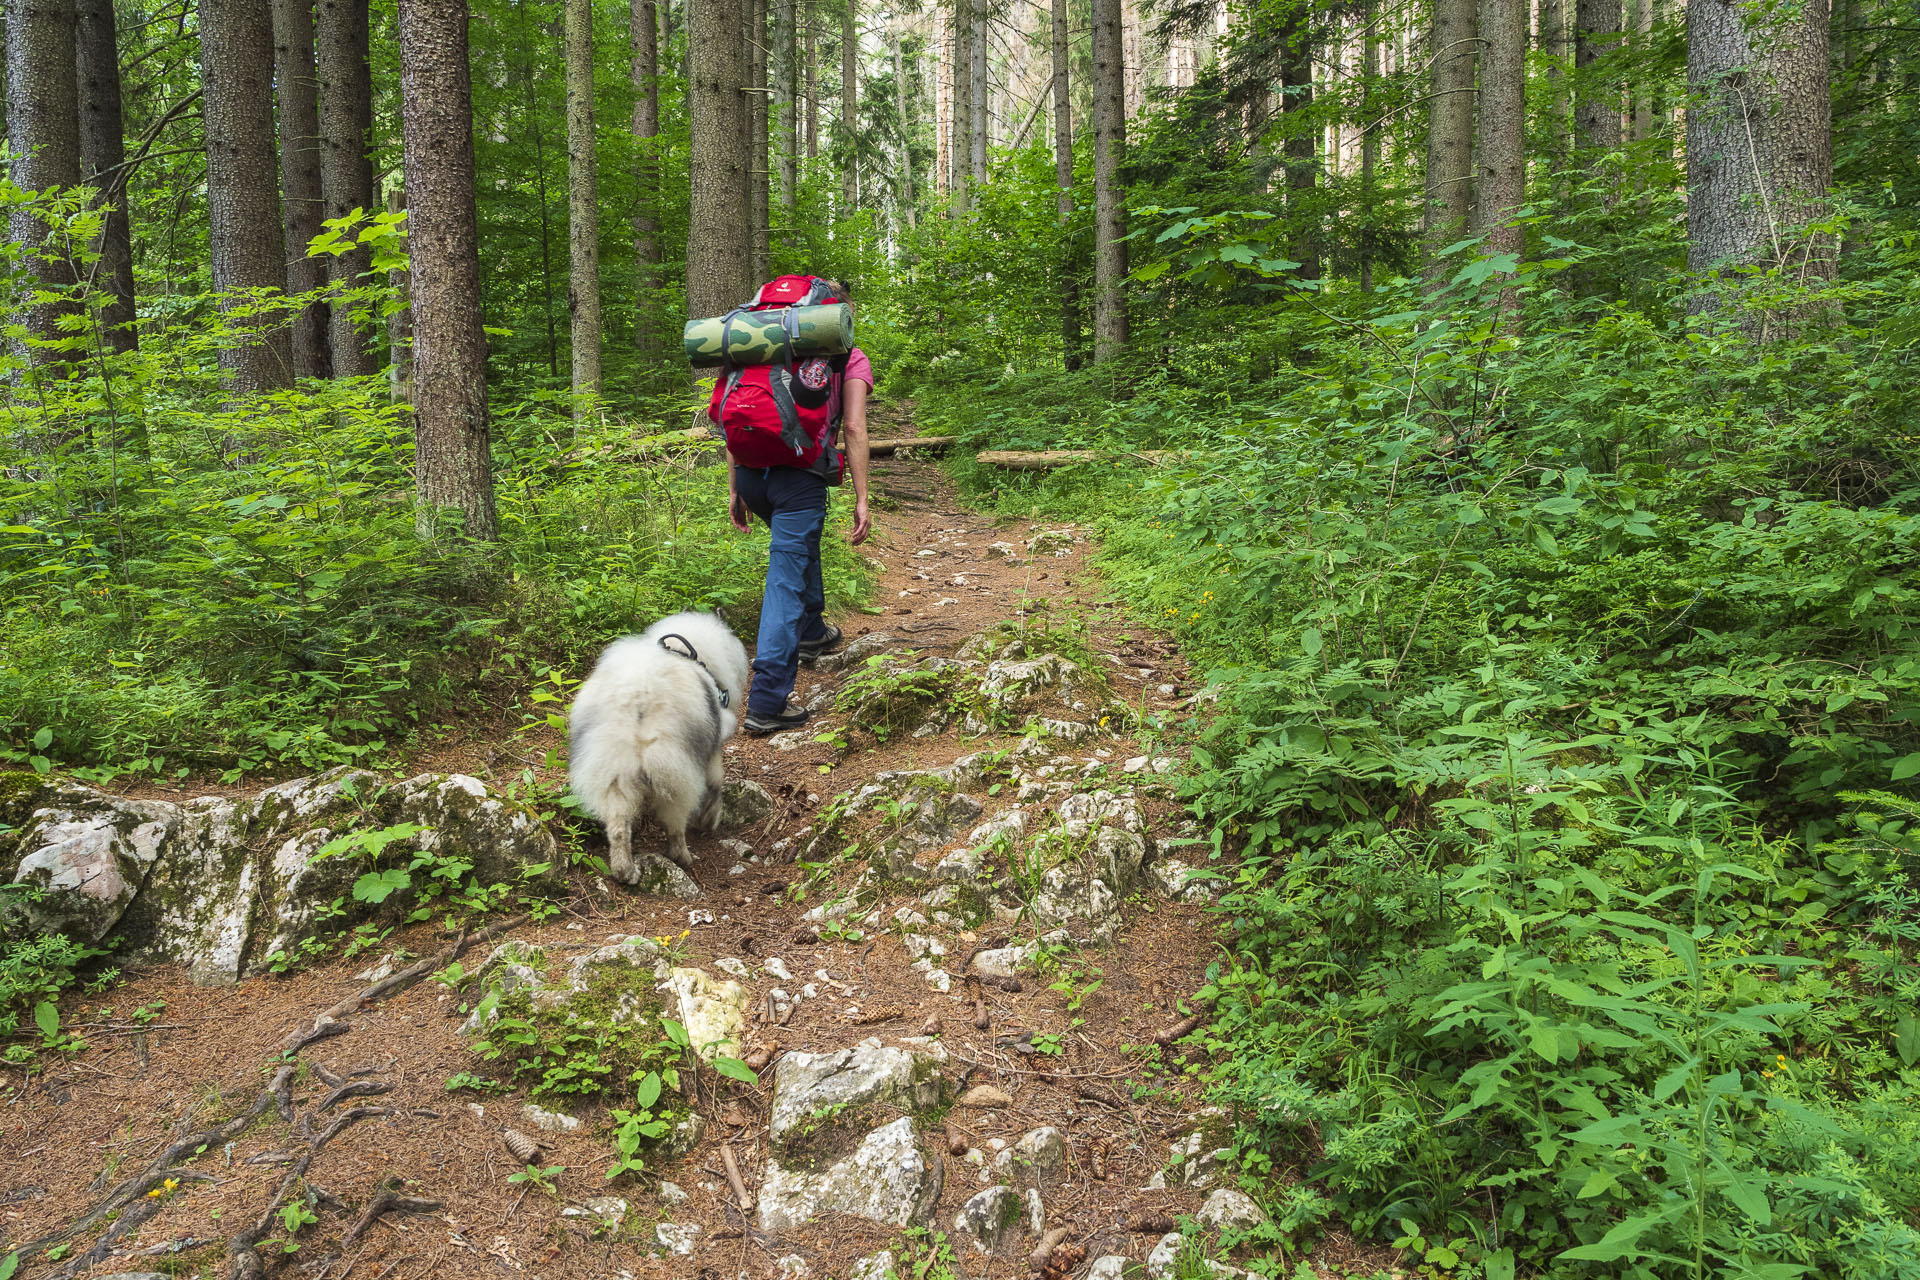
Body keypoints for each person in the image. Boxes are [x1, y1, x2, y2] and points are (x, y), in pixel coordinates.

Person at [724, 293, 872, 736]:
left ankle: (811, 631)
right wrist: (863, 498)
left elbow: (733, 417)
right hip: (800, 479)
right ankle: (768, 700)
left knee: (797, 550)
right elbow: (853, 427)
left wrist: (735, 487)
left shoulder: (755, 346)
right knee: (784, 580)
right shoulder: (848, 357)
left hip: (753, 474)